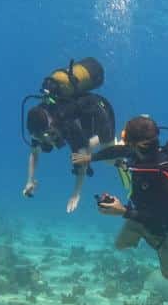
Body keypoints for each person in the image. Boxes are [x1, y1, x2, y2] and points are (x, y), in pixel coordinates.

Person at [72, 115, 168, 295]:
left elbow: (161, 218)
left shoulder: (166, 172)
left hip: (164, 230)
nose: (125, 144)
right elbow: (117, 151)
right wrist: (90, 158)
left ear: (136, 144)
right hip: (139, 216)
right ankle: (147, 241)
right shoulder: (140, 152)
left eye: (127, 140)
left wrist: (123, 211)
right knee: (120, 244)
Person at [22, 58, 116, 213]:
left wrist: (76, 194)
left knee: (109, 159)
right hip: (84, 118)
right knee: (86, 147)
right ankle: (94, 142)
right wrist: (29, 181)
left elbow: (81, 160)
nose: (44, 141)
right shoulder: (38, 121)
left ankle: (124, 141)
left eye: (45, 137)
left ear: (50, 127)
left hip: (101, 111)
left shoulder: (67, 124)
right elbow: (34, 152)